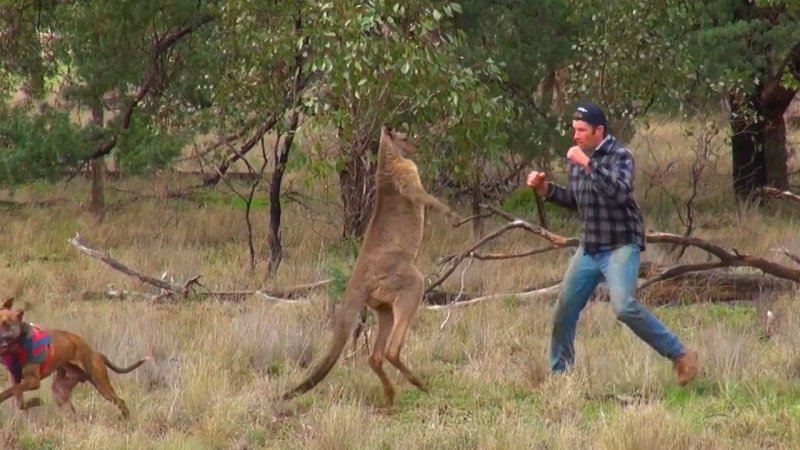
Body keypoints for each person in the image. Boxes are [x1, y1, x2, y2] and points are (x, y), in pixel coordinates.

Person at [526, 102, 698, 385]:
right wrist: (546, 189)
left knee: (624, 307)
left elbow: (618, 192)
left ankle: (680, 355)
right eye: (574, 130)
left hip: (620, 245)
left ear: (599, 131)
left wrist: (587, 163)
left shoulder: (621, 156)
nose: (575, 136)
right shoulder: (581, 158)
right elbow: (576, 199)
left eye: (581, 130)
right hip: (590, 247)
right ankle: (560, 375)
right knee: (564, 310)